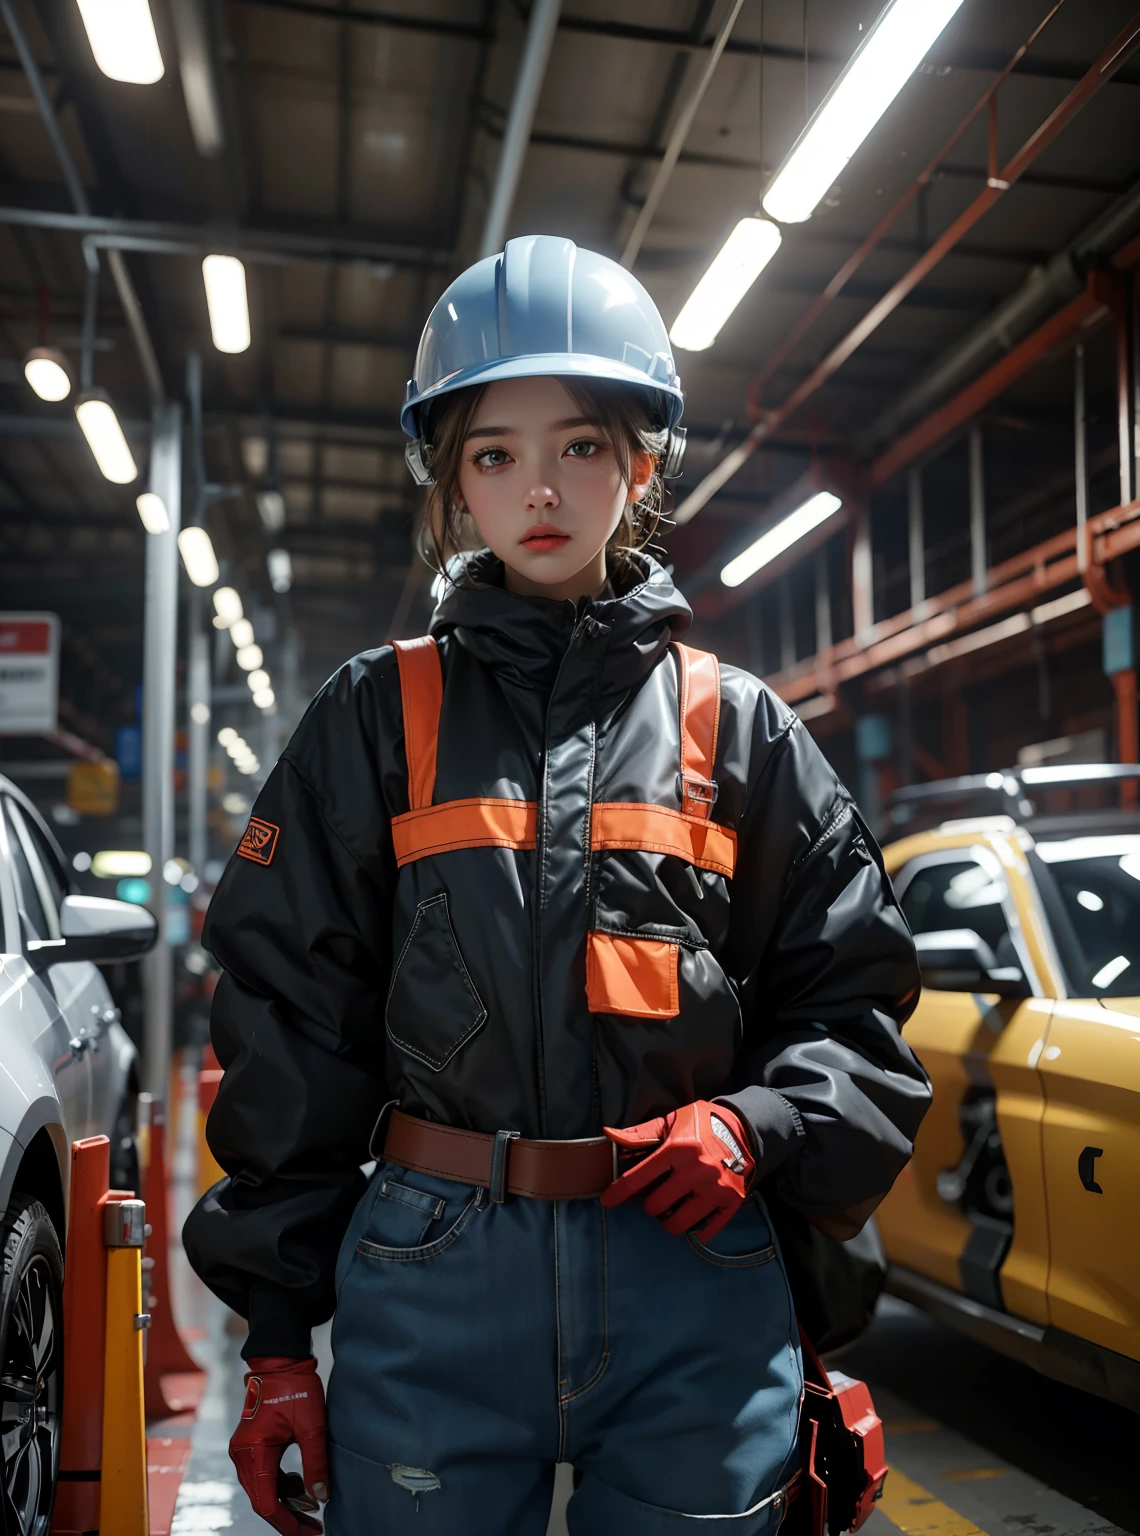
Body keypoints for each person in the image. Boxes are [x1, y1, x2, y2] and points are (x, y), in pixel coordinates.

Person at [184, 234, 930, 1536]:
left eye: (581, 444)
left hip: (696, 1268)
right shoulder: (376, 719)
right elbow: (290, 1034)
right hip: (433, 1273)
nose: (541, 486)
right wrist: (279, 1339)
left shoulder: (740, 730)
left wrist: (756, 1127)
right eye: (496, 451)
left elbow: (854, 1010)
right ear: (452, 482)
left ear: (641, 463)